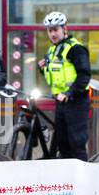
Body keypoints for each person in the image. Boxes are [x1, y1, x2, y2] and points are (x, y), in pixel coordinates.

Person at [37, 12, 91, 161]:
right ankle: (67, 181)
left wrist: (69, 93)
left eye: (56, 30)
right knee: (63, 144)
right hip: (60, 103)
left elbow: (84, 75)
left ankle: (83, 179)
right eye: (50, 30)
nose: (53, 34)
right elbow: (55, 76)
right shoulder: (52, 50)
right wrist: (42, 69)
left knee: (77, 143)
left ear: (64, 29)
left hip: (76, 102)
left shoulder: (76, 49)